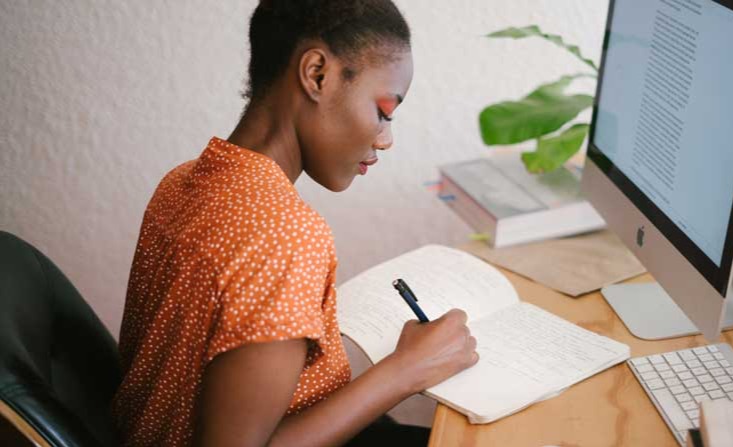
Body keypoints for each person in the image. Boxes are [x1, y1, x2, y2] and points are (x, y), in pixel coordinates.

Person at [111, 1, 479, 446]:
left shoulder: (183, 180)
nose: (386, 138)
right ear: (317, 74)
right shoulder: (284, 235)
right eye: (383, 110)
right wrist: (405, 371)